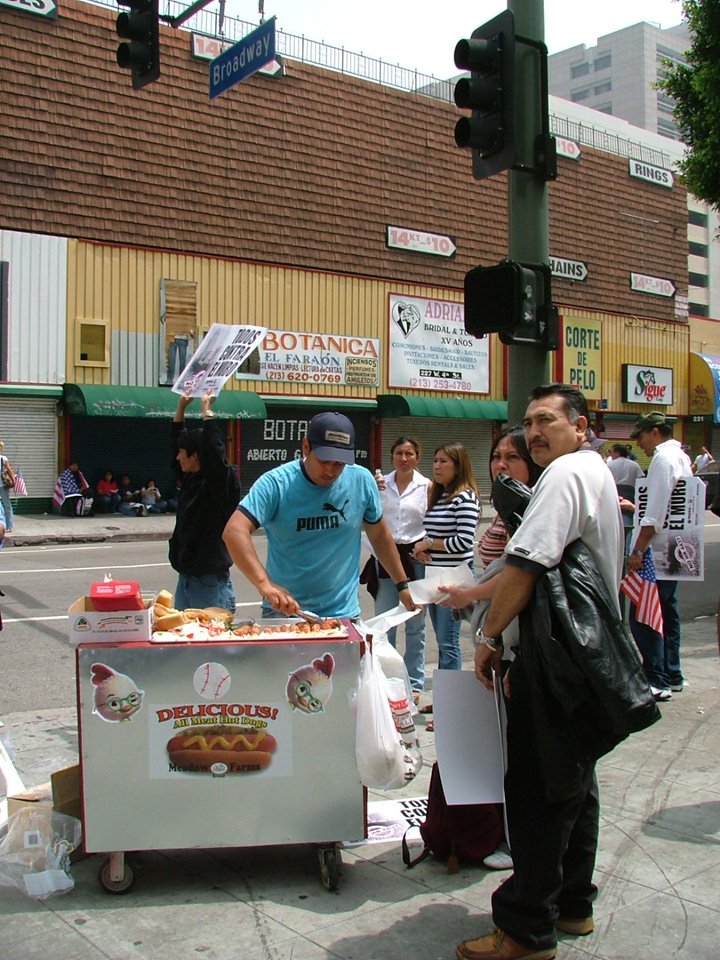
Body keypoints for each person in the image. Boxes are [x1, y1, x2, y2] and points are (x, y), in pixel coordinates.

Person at [456, 384, 625, 960]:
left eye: (547, 420)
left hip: (555, 666)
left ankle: (527, 930)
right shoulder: (593, 471)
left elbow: (526, 566)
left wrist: (486, 637)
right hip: (586, 665)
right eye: (528, 422)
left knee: (536, 798)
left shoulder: (565, 475)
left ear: (581, 426)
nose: (533, 432)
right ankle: (573, 905)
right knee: (576, 788)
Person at [441, 426, 544, 871]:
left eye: (513, 457)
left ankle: (511, 839)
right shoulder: (508, 508)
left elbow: (519, 574)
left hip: (514, 641)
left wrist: (471, 597)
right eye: (497, 456)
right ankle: (498, 832)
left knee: (515, 752)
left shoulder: (534, 510)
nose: (501, 464)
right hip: (493, 635)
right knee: (496, 744)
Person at [222, 411, 417, 619]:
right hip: (285, 612)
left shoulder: (361, 480)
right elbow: (234, 530)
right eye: (325, 460)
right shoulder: (276, 483)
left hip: (343, 613)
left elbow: (379, 536)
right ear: (306, 446)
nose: (331, 471)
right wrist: (264, 584)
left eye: (339, 463)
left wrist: (402, 584)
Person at [412, 442, 480, 730]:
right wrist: (423, 550)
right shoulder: (440, 497)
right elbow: (435, 534)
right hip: (434, 574)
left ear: (458, 465)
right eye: (435, 461)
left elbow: (463, 543)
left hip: (454, 578)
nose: (436, 466)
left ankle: (450, 709)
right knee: (441, 641)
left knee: (449, 643)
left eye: (443, 462)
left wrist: (429, 544)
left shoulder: (465, 498)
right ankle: (443, 697)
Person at [627, 411, 693, 702]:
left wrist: (638, 549)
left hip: (655, 548)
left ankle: (656, 678)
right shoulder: (681, 456)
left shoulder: (662, 460)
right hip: (675, 546)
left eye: (641, 436)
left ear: (655, 432)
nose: (640, 443)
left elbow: (653, 514)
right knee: (667, 612)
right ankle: (671, 672)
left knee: (644, 615)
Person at [362, 436, 430, 701]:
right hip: (385, 558)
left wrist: (427, 547)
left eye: (410, 453)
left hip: (415, 559)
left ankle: (413, 682)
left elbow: (433, 522)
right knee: (385, 623)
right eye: (399, 453)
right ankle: (387, 681)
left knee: (415, 625)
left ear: (417, 457)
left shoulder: (427, 487)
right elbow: (366, 518)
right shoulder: (379, 484)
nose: (404, 459)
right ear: (391, 457)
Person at [170, 389, 242, 612]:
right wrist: (181, 407)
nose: (177, 457)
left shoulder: (220, 484)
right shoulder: (190, 478)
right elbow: (174, 445)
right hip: (187, 579)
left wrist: (207, 412)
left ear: (194, 455)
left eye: (182, 452)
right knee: (183, 639)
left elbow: (214, 453)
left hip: (210, 583)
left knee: (211, 644)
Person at [0, 441, 15, 533]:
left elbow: (9, 470)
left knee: (6, 504)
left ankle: (9, 525)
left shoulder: (3, 459)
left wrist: (14, 480)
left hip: (2, 485)